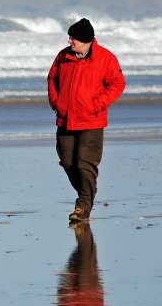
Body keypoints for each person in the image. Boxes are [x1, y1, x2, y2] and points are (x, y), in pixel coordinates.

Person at [47, 18, 125, 222]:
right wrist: (56, 102)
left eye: (73, 38)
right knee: (66, 161)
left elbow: (117, 84)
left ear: (86, 40)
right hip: (65, 119)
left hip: (92, 120)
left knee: (84, 164)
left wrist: (96, 105)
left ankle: (83, 206)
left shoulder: (105, 58)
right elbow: (52, 78)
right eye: (69, 37)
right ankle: (86, 194)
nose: (70, 41)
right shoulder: (63, 56)